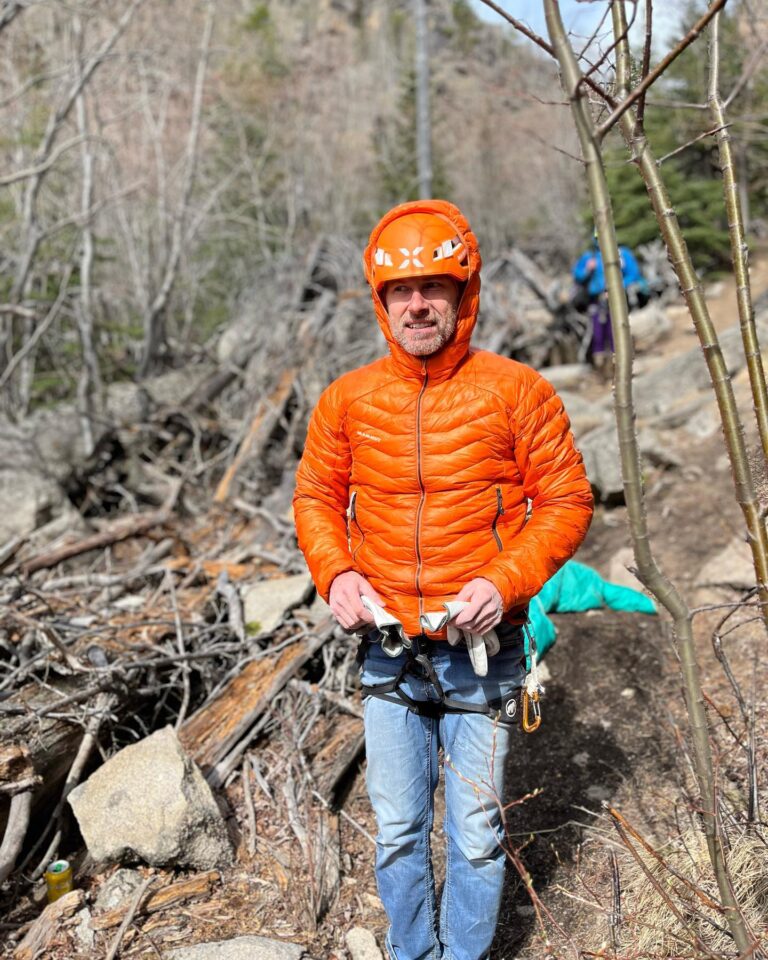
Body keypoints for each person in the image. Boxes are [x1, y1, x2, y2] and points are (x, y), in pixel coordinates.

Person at [293, 200, 594, 960]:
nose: (418, 303)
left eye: (434, 286)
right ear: (381, 301)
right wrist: (336, 574)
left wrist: (507, 578)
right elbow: (316, 499)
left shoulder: (518, 391)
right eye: (402, 290)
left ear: (464, 295)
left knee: (477, 833)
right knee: (397, 830)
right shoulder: (346, 400)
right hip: (388, 649)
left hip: (482, 650)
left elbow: (565, 500)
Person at [572, 231, 647, 373]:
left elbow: (634, 274)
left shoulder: (622, 254)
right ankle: (601, 368)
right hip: (595, 301)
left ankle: (620, 366)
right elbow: (577, 275)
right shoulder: (590, 257)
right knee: (598, 333)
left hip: (617, 300)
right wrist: (588, 269)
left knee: (617, 332)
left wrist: (616, 287)